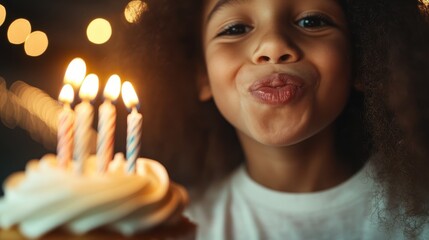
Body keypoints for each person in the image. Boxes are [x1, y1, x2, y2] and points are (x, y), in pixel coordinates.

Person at [118, 0, 429, 239]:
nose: (273, 46)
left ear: (361, 58)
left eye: (311, 21)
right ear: (202, 75)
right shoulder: (177, 226)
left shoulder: (421, 216)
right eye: (235, 29)